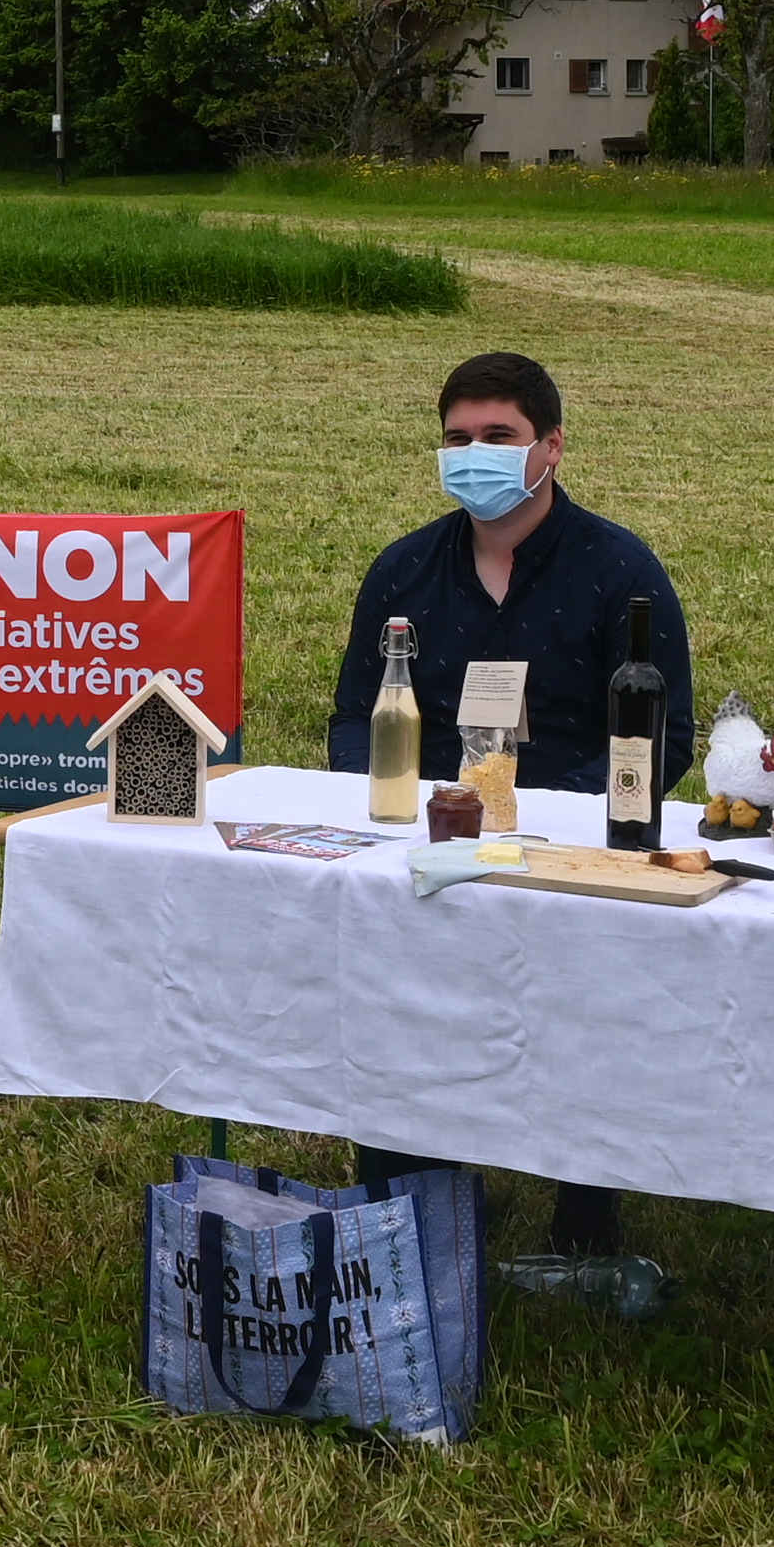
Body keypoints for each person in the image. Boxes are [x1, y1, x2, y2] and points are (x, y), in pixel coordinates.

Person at [322, 351, 698, 1306]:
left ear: (553, 448)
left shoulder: (621, 570)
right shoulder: (405, 569)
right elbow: (348, 721)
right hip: (430, 842)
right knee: (403, 997)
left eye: (498, 437)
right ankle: (410, 1186)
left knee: (584, 1002)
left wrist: (538, 818)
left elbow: (668, 735)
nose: (474, 454)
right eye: (457, 439)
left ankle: (586, 1201)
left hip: (570, 846)